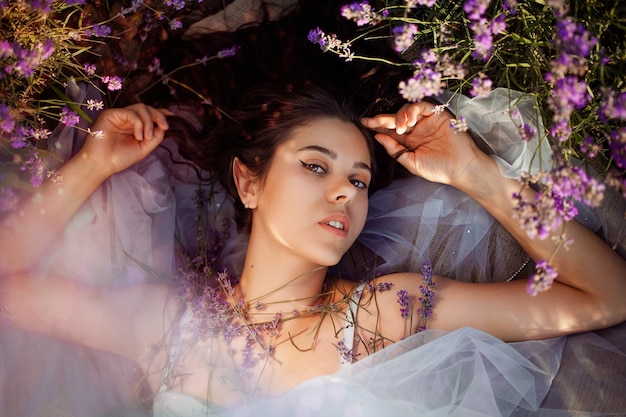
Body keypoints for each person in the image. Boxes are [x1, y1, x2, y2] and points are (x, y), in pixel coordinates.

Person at [0, 84, 625, 417]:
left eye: (358, 180)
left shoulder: (385, 313)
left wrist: (474, 175)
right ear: (250, 182)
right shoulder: (166, 329)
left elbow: (604, 298)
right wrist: (91, 164)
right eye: (315, 166)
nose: (343, 194)